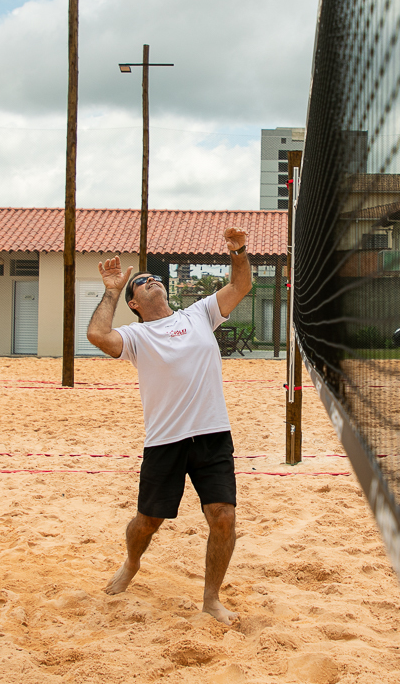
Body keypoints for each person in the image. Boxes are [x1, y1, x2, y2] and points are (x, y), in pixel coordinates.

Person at [86, 227, 251, 625]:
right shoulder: (136, 335)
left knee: (223, 516)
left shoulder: (199, 314)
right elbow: (97, 334)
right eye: (141, 281)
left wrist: (239, 252)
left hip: (212, 434)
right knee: (148, 522)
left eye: (154, 277)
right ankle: (131, 562)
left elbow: (240, 285)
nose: (151, 280)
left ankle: (211, 599)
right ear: (134, 303)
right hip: (165, 441)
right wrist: (112, 290)